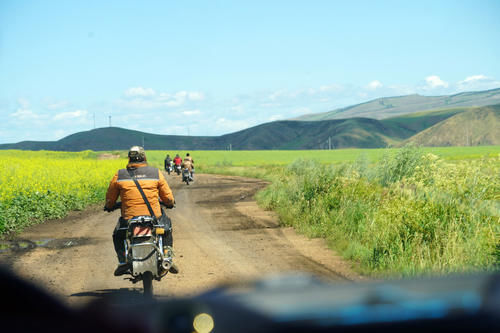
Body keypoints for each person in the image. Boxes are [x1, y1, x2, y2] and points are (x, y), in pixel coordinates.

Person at [104, 146, 178, 276]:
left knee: (118, 234)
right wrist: (170, 203)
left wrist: (109, 206)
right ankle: (167, 256)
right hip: (154, 217)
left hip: (129, 219)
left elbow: (110, 199)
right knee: (166, 227)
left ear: (129, 159)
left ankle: (122, 261)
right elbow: (167, 197)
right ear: (144, 158)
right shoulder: (155, 173)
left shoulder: (119, 175)